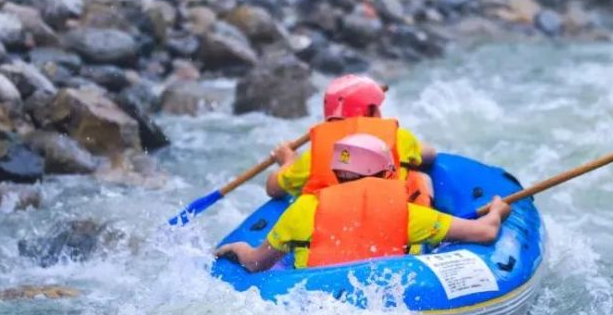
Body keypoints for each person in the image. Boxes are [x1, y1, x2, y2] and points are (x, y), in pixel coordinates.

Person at [216, 134, 510, 272]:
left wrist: (234, 248)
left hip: (311, 306)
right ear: (388, 173)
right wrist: (497, 210)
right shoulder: (406, 214)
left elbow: (256, 263)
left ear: (338, 174)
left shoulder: (304, 209)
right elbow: (484, 233)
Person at [265, 75, 438, 207]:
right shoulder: (398, 138)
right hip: (393, 226)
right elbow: (430, 154)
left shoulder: (314, 156)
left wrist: (288, 160)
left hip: (336, 233)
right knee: (419, 177)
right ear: (372, 111)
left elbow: (273, 188)